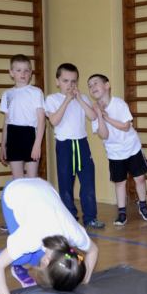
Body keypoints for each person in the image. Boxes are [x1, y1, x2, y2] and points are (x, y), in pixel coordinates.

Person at [0, 178, 99, 294]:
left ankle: (20, 268)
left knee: (34, 253)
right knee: (22, 256)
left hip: (42, 188)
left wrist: (86, 278)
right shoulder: (31, 237)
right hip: (15, 191)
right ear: (46, 262)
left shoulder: (75, 234)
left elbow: (93, 250)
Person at [87, 73, 147, 225]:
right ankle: (122, 212)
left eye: (95, 83)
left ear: (107, 85)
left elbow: (125, 126)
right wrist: (99, 115)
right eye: (89, 85)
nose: (92, 87)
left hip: (132, 147)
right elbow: (104, 135)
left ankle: (143, 206)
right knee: (119, 182)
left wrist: (107, 117)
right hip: (114, 152)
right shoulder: (94, 110)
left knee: (140, 178)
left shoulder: (119, 104)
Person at [45, 63, 105, 229]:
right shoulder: (52, 99)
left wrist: (78, 99)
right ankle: (69, 218)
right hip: (64, 145)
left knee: (88, 182)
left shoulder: (82, 98)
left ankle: (90, 217)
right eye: (65, 81)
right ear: (57, 81)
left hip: (82, 143)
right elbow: (54, 121)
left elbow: (93, 116)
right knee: (65, 183)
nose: (70, 85)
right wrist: (67, 100)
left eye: (73, 81)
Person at [0, 54, 45, 179]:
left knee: (32, 178)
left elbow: (41, 120)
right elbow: (6, 121)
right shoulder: (7, 94)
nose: (23, 74)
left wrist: (37, 144)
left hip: (29, 135)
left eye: (26, 70)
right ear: (11, 73)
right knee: (17, 179)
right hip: (13, 135)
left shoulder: (36, 92)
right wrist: (3, 145)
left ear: (31, 73)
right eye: (18, 70)